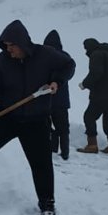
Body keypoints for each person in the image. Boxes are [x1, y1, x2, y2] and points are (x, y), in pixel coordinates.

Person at [0, 20, 76, 215]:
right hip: (6, 117)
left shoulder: (45, 55)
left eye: (11, 46)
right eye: (6, 46)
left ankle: (47, 204)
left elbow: (69, 64)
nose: (8, 50)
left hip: (36, 120)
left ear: (22, 43)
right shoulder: (1, 61)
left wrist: (57, 81)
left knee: (42, 163)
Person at [76, 37, 108, 156]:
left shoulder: (96, 54)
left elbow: (96, 73)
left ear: (90, 47)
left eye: (86, 48)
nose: (85, 51)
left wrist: (84, 84)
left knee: (89, 117)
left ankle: (92, 145)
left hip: (102, 93)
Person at [42, 30, 71, 161]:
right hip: (62, 100)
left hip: (47, 99)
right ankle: (65, 152)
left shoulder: (44, 56)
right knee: (63, 128)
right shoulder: (65, 56)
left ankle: (53, 149)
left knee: (49, 126)